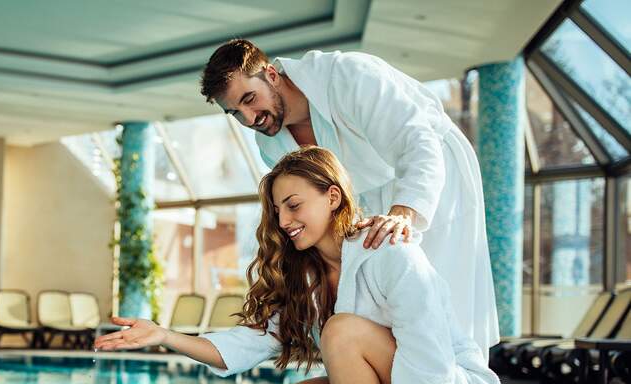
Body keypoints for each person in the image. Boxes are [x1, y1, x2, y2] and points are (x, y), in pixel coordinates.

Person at [94, 147, 503, 384]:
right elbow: (242, 346)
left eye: (294, 205)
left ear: (333, 197)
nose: (285, 220)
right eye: (278, 210)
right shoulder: (304, 277)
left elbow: (428, 363)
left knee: (340, 330)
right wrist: (165, 335)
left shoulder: (390, 251)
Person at [200, 39, 499, 359]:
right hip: (366, 197)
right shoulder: (270, 146)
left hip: (431, 171)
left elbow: (416, 140)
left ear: (271, 74)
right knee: (381, 302)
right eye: (236, 113)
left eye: (250, 99)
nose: (249, 118)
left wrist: (403, 213)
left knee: (443, 296)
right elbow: (313, 205)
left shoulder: (347, 76)